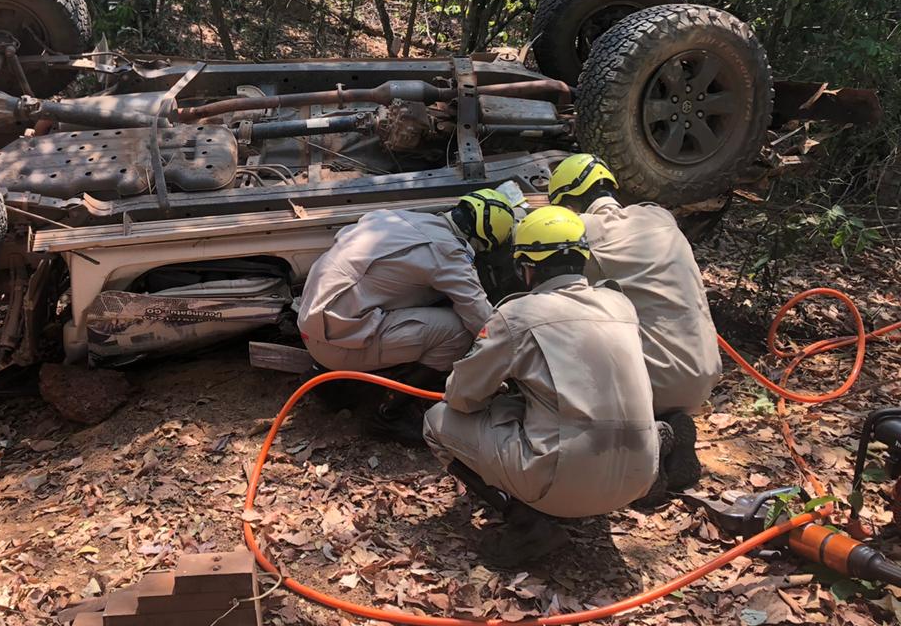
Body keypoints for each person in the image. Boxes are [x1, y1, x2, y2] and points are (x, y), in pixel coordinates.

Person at [423, 206, 664, 566]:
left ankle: (527, 524)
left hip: (560, 482)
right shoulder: (620, 303)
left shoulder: (517, 315)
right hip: (640, 475)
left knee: (436, 421)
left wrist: (501, 398)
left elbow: (462, 397)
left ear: (526, 268)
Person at [548, 152, 719, 490]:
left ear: (569, 205)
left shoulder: (584, 231)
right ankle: (668, 426)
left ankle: (640, 461)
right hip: (704, 373)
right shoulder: (659, 217)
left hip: (655, 382)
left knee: (565, 337)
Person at [297, 190, 515, 444]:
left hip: (311, 322)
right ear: (484, 241)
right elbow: (480, 320)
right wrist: (514, 360)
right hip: (333, 345)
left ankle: (334, 387)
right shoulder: (449, 252)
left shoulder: (399, 219)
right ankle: (387, 415)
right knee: (458, 332)